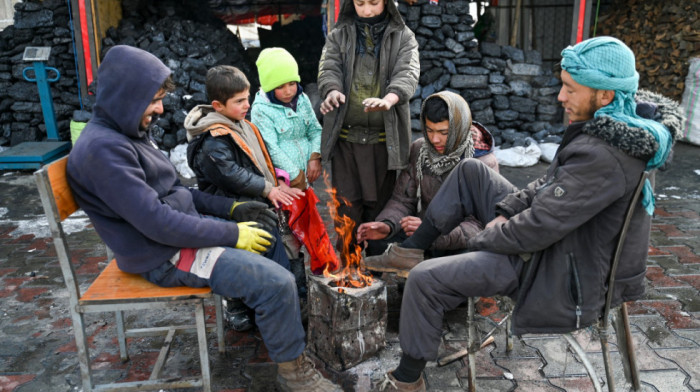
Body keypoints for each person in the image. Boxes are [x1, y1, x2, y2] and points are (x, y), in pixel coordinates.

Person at [367, 37, 683, 391]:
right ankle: (413, 248)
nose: (560, 97)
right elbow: (546, 183)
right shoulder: (612, 130)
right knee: (472, 172)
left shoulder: (604, 154)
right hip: (556, 244)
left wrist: (485, 236)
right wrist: (507, 210)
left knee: (425, 279)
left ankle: (407, 379)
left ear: (605, 95)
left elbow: (537, 228)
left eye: (569, 89)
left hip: (555, 266)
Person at [67, 45, 342, 392]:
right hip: (165, 255)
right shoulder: (103, 151)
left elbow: (179, 193)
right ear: (126, 95)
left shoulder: (128, 135)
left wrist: (233, 210)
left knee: (267, 235)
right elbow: (158, 223)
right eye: (152, 99)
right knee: (275, 283)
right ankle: (293, 372)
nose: (160, 108)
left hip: (177, 235)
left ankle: (279, 323)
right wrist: (231, 233)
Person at [185, 65, 306, 332]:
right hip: (228, 209)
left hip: (250, 202)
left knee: (286, 241)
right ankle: (242, 304)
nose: (246, 105)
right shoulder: (213, 139)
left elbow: (256, 160)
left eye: (247, 98)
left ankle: (287, 301)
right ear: (218, 105)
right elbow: (231, 174)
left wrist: (279, 178)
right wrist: (267, 189)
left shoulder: (241, 124)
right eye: (239, 101)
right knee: (253, 252)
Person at [317, 0, 419, 253]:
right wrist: (332, 91)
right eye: (360, 3)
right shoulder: (338, 35)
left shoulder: (403, 36)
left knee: (380, 208)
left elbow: (407, 74)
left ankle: (375, 269)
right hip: (346, 140)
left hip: (385, 141)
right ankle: (350, 269)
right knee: (347, 207)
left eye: (374, 3)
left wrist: (389, 99)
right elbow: (328, 68)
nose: (367, 10)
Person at [356, 91, 498, 267]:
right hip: (422, 232)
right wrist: (387, 224)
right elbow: (402, 200)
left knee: (469, 257)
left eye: (443, 132)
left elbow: (477, 225)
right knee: (378, 241)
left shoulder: (482, 162)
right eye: (429, 130)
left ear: (459, 127)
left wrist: (429, 232)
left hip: (456, 239)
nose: (434, 139)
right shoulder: (420, 149)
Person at [251, 47, 322, 191]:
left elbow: (315, 130)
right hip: (283, 182)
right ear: (269, 88)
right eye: (280, 87)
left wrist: (315, 157)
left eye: (292, 83)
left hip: (307, 176)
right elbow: (270, 148)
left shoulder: (302, 99)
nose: (288, 91)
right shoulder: (261, 110)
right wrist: (295, 175)